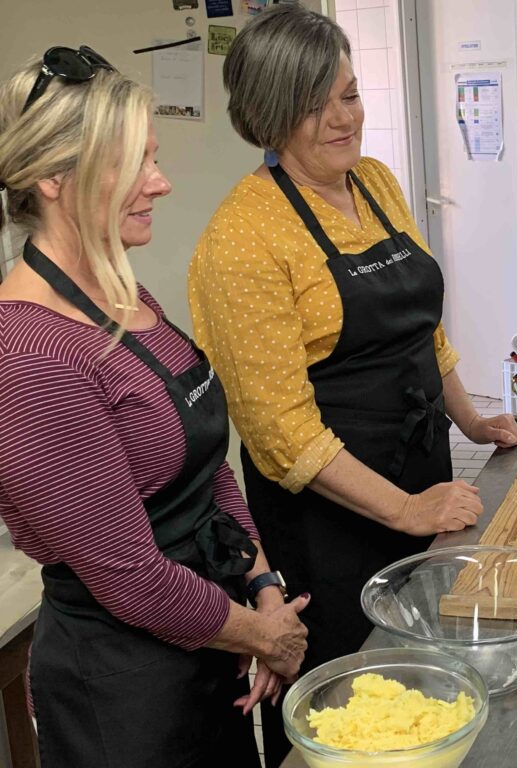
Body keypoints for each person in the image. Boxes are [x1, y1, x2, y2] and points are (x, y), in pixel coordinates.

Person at [187, 7, 517, 764]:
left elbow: (420, 326)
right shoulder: (241, 241)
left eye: (350, 93)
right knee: (348, 715)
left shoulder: (372, 183)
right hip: (328, 523)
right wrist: (403, 510)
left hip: (419, 474)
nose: (345, 118)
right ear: (270, 113)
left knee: (425, 690)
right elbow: (280, 436)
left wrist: (468, 417)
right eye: (316, 103)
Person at [0, 48, 310, 767]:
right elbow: (128, 576)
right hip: (127, 691)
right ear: (52, 177)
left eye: (156, 157)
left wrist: (263, 587)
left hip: (211, 644)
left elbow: (209, 473)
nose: (161, 183)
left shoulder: (128, 299)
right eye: (134, 162)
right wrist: (261, 635)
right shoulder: (29, 356)